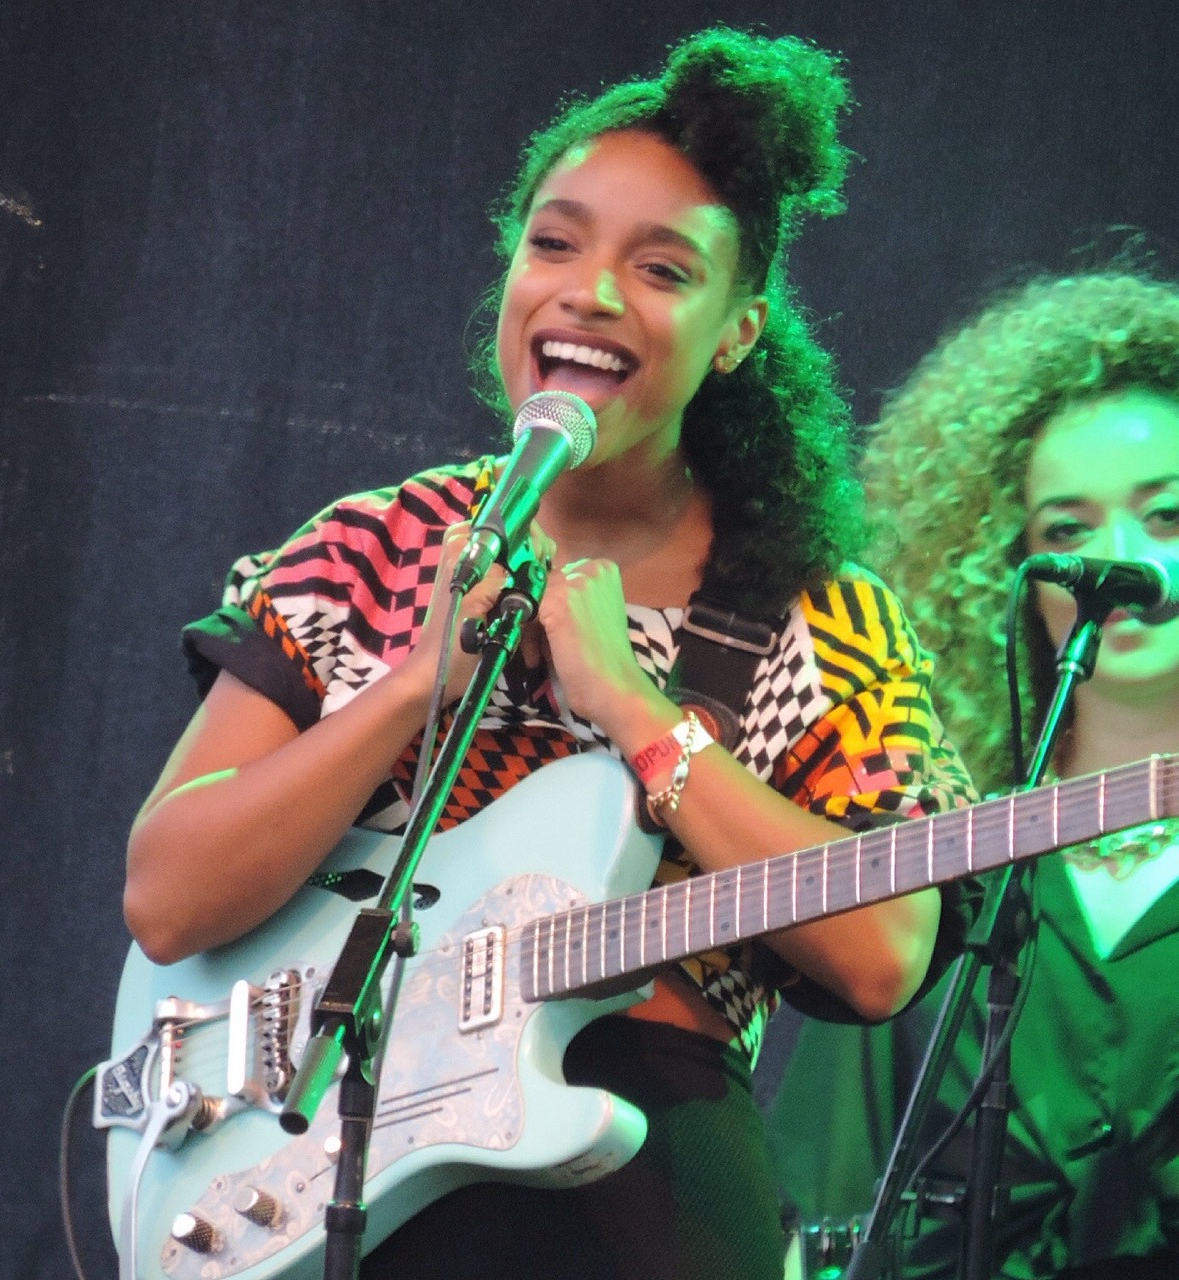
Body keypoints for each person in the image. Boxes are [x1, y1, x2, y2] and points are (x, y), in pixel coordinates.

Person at [123, 27, 976, 1280]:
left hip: (632, 1162)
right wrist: (421, 680)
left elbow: (882, 950)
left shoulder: (812, 611)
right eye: (555, 241)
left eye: (663, 269)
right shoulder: (375, 543)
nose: (590, 291)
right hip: (319, 1139)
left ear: (736, 332)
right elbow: (168, 895)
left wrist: (636, 714)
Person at [771, 269, 1179, 1280]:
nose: (1119, 561)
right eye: (1066, 532)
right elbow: (823, 1213)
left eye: (1165, 515)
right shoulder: (945, 869)